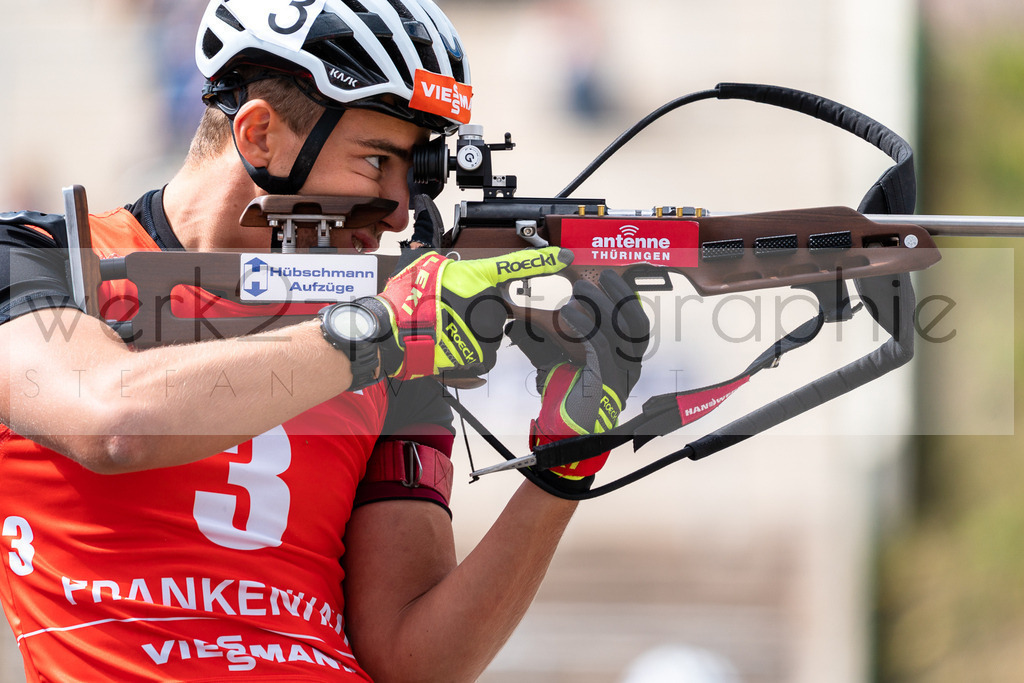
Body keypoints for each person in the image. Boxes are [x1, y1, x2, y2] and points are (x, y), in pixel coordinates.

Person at [0, 1, 648, 681]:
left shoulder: (394, 332)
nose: (401, 212)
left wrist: (563, 464)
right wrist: (375, 332)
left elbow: (412, 661)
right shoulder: (40, 257)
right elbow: (114, 423)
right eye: (376, 161)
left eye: (416, 173)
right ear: (259, 136)